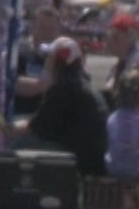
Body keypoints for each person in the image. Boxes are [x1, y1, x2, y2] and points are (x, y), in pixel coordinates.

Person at [17, 37, 108, 176]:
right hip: (92, 157)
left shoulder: (63, 87)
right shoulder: (79, 83)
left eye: (49, 57)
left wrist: (12, 128)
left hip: (79, 159)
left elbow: (39, 127)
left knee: (19, 144)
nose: (46, 61)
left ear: (57, 62)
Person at [12, 6, 62, 116]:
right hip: (24, 114)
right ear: (32, 28)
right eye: (42, 28)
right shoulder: (20, 52)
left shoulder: (63, 57)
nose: (47, 33)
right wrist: (42, 85)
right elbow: (14, 83)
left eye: (51, 29)